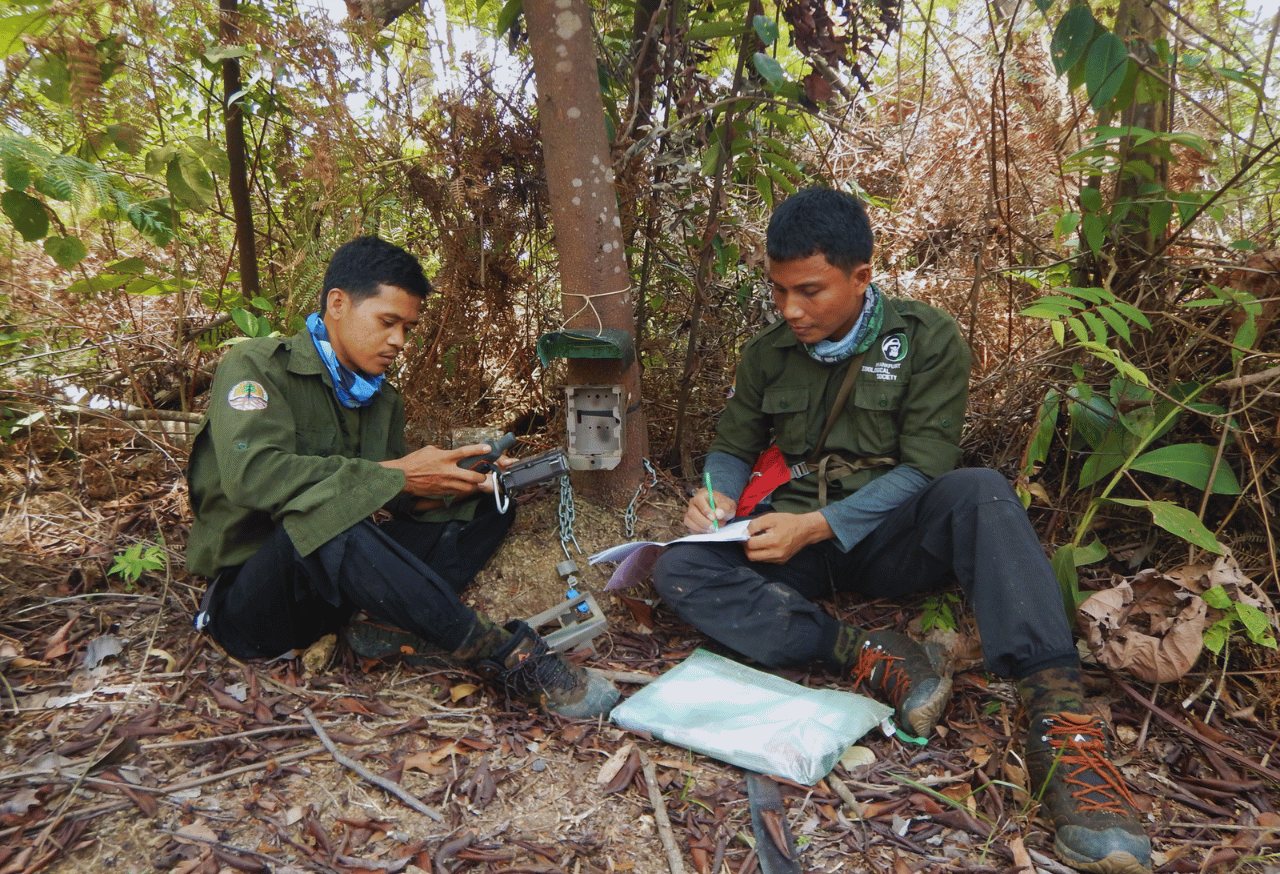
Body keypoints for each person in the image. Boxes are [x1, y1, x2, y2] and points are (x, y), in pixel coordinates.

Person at [652, 189, 1150, 874]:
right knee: (678, 567)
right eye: (777, 291)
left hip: (890, 539)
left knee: (979, 491)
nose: (791, 310)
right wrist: (715, 496)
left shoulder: (926, 338)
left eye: (810, 291)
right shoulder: (768, 352)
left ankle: (1061, 727)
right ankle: (866, 653)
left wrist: (819, 525)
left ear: (861, 276)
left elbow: (925, 467)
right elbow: (734, 446)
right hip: (788, 539)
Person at [186, 235, 618, 719]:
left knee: (487, 508)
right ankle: (503, 654)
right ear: (338, 303)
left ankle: (392, 624)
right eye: (387, 322)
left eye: (408, 328)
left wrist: (453, 480)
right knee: (333, 516)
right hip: (255, 603)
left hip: (337, 595)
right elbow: (253, 477)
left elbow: (394, 496)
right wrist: (398, 474)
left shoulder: (381, 400)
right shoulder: (257, 368)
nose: (398, 341)